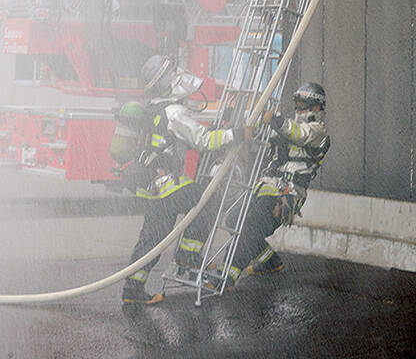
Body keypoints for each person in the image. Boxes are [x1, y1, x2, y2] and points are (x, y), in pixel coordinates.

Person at [117, 54, 251, 307]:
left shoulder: (153, 108)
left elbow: (179, 139)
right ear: (167, 82)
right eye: (173, 74)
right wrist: (237, 133)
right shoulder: (175, 112)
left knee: (152, 238)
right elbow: (203, 142)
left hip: (150, 187)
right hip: (168, 187)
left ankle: (132, 288)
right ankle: (187, 255)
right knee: (208, 199)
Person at [184, 81, 330, 290]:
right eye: (296, 104)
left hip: (286, 194)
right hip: (267, 187)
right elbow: (268, 135)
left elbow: (298, 134)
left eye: (302, 104)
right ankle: (270, 262)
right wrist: (245, 125)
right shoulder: (290, 126)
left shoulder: (317, 131)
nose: (298, 108)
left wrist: (276, 121)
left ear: (316, 107)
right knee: (235, 219)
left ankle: (227, 276)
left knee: (250, 226)